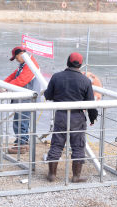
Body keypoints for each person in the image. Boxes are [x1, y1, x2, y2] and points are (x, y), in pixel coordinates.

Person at [44, 52, 98, 183]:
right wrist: (92, 118)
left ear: (67, 62)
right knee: (78, 146)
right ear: (80, 64)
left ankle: (52, 174)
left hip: (61, 115)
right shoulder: (85, 80)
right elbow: (90, 102)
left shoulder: (56, 77)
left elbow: (48, 95)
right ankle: (76, 176)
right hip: (77, 117)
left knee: (56, 144)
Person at [4, 46, 40, 154]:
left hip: (27, 100)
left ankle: (22, 145)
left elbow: (21, 80)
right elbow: (14, 76)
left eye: (16, 58)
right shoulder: (25, 64)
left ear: (21, 54)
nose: (16, 60)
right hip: (24, 99)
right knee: (20, 121)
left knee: (21, 122)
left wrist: (5, 87)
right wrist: (3, 83)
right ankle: (22, 143)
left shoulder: (30, 65)